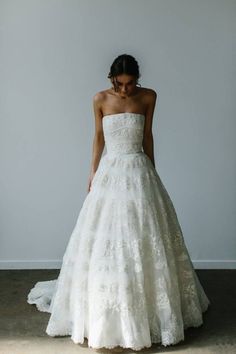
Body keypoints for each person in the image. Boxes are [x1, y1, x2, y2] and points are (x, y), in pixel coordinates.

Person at [27, 54, 210, 351]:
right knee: (106, 240)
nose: (125, 90)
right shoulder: (100, 99)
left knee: (143, 237)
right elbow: (98, 137)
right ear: (111, 79)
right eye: (120, 84)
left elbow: (148, 135)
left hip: (139, 170)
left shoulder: (149, 97)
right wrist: (92, 172)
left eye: (130, 83)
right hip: (111, 171)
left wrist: (153, 170)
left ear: (138, 79)